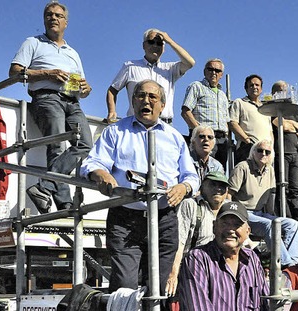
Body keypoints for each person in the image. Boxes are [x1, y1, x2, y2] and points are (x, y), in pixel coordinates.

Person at [80, 80, 200, 310]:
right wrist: (101, 174)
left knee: (161, 289)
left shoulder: (175, 137)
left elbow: (191, 176)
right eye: (140, 96)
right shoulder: (115, 131)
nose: (146, 100)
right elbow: (92, 162)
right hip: (126, 219)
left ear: (163, 104)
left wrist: (183, 188)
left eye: (153, 97)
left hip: (165, 219)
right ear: (133, 101)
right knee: (125, 288)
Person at [10, 2, 93, 213]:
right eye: (49, 15)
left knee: (85, 144)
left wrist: (86, 88)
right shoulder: (33, 42)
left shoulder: (73, 52)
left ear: (66, 22)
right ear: (44, 19)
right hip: (46, 97)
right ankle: (64, 203)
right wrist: (47, 73)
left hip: (72, 101)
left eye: (58, 15)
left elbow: (83, 86)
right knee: (57, 146)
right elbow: (15, 72)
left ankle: (44, 187)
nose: (53, 18)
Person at [182, 201, 269, 310]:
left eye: (237, 225)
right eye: (224, 223)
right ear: (214, 227)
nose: (230, 230)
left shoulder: (252, 259)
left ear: (248, 231)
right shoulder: (197, 259)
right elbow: (198, 307)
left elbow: (266, 302)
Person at [228, 140, 298, 267]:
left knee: (293, 224)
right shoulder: (242, 167)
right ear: (253, 152)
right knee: (270, 225)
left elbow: (270, 196)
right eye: (260, 150)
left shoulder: (270, 170)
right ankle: (285, 263)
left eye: (267, 152)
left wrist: (272, 214)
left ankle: (292, 263)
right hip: (243, 213)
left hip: (261, 213)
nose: (263, 154)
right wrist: (231, 217)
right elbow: (229, 194)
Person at [106, 28, 195, 125]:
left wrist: (169, 41)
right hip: (137, 123)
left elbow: (190, 62)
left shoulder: (170, 69)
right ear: (144, 45)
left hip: (164, 124)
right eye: (151, 42)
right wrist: (112, 111)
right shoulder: (130, 66)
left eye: (159, 43)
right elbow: (112, 90)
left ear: (164, 48)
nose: (155, 46)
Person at [172, 171, 229, 305]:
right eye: (213, 184)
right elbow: (179, 242)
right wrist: (174, 274)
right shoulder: (190, 205)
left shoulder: (230, 211)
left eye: (222, 186)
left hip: (222, 272)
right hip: (193, 269)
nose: (218, 189)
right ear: (202, 186)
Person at [181, 58, 230, 169]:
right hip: (203, 138)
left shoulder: (223, 95)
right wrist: (199, 131)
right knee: (200, 169)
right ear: (204, 71)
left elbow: (227, 119)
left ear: (221, 74)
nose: (214, 72)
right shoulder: (197, 86)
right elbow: (186, 111)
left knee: (219, 173)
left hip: (221, 141)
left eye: (217, 71)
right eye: (210, 69)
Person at [270, 81, 298, 220]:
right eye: (280, 90)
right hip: (281, 153)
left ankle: (295, 220)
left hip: (294, 153)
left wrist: (291, 123)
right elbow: (281, 126)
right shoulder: (273, 109)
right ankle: (283, 217)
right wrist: (294, 125)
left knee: (294, 189)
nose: (283, 92)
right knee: (282, 187)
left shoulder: (292, 112)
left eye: (285, 90)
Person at [229, 74, 273, 165]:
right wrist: (247, 140)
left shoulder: (266, 108)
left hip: (266, 151)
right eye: (251, 85)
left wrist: (271, 146)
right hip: (247, 148)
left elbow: (270, 130)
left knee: (265, 178)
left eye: (257, 85)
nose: (254, 87)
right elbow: (233, 123)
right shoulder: (239, 102)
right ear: (246, 88)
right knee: (246, 177)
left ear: (261, 89)